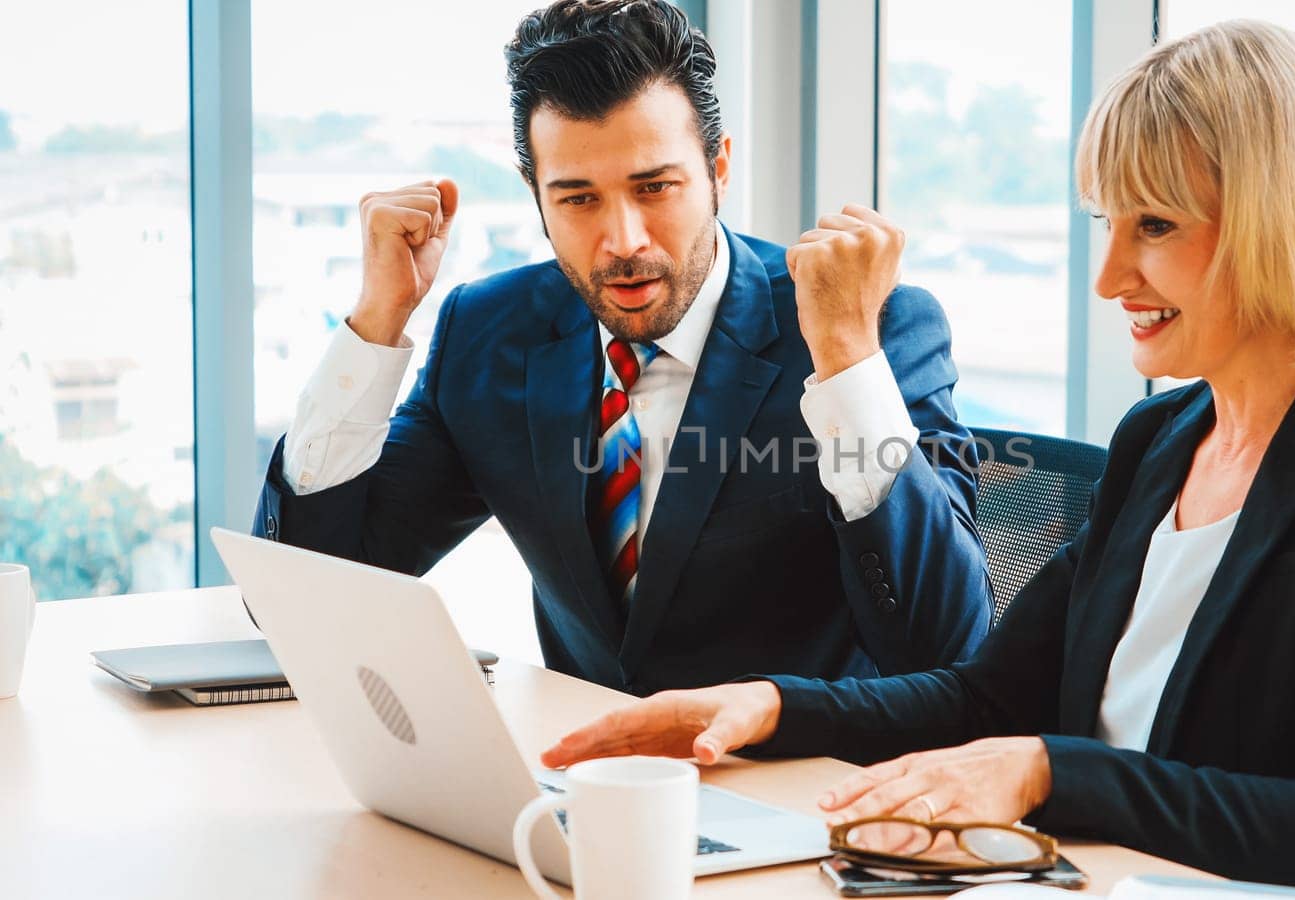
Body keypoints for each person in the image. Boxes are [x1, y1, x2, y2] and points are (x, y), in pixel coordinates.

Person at [541, 20, 1295, 898]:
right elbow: (988, 696)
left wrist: (1048, 773)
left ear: (1280, 220)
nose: (1109, 277)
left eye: (1153, 226)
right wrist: (764, 704)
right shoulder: (1162, 442)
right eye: (1107, 224)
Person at [250, 0, 992, 695]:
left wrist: (846, 360)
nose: (623, 241)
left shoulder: (870, 328)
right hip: (591, 793)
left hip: (807, 792)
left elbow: (949, 651)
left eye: (656, 188)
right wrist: (375, 322)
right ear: (535, 193)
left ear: (718, 171)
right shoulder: (490, 331)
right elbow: (310, 598)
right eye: (578, 198)